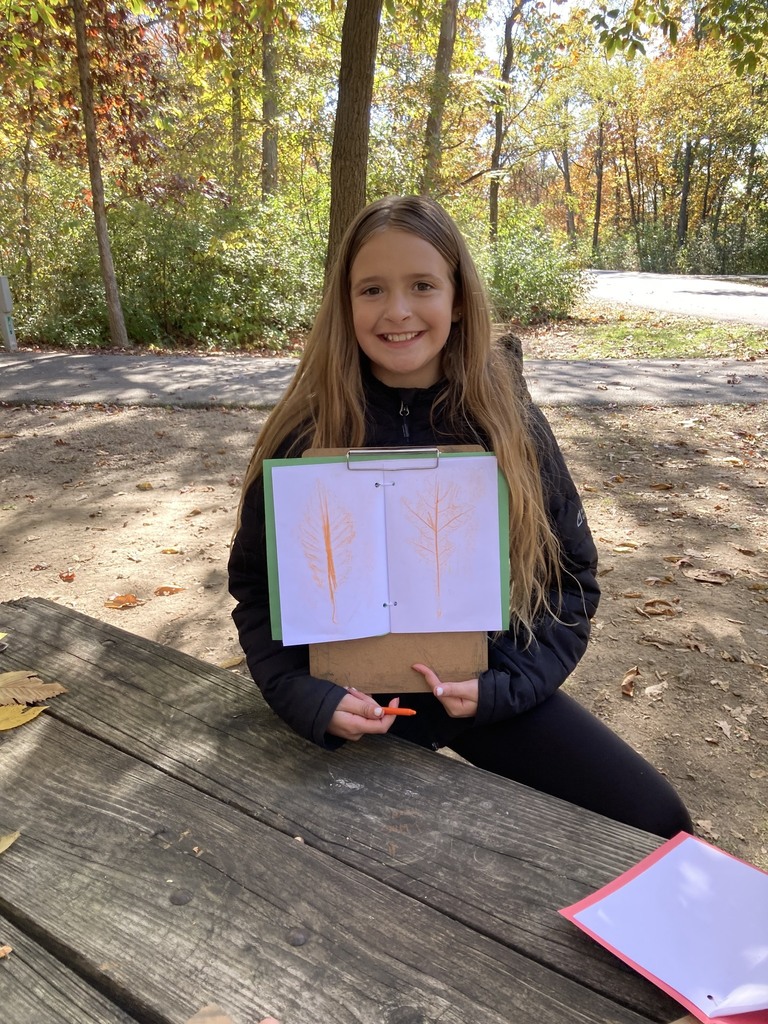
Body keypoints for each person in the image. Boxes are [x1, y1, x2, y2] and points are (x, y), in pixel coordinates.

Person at [228, 195, 692, 839]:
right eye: (371, 289)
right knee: (271, 842)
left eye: (422, 285)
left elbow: (570, 585)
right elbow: (256, 590)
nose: (397, 311)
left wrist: (504, 687)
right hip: (351, 704)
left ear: (458, 298)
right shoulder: (304, 434)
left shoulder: (508, 426)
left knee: (657, 823)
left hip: (484, 692)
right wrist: (306, 697)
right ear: (344, 305)